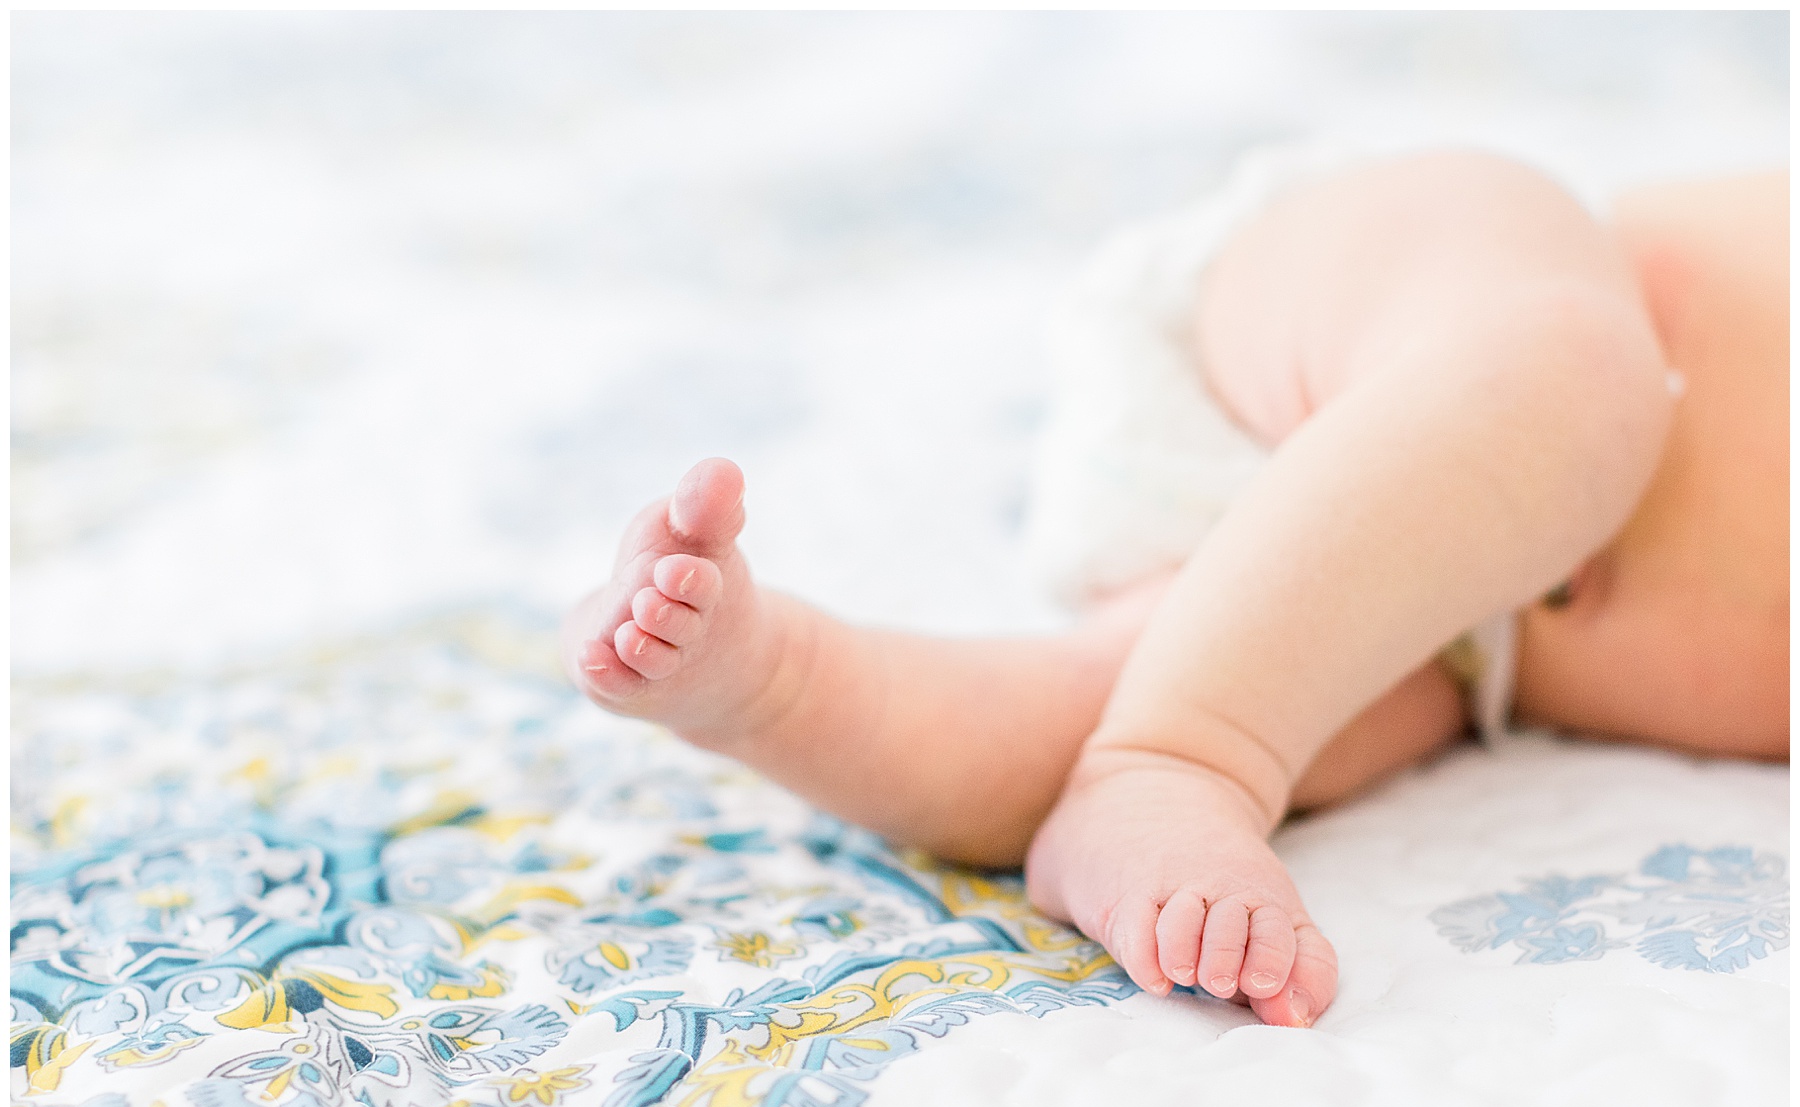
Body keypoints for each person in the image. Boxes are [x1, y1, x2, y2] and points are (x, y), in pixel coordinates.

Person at [561, 150, 1788, 1029]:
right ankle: (1174, 757)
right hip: (1403, 307)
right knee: (1568, 372)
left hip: (1456, 639)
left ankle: (770, 676)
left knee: (1074, 731)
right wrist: (1192, 747)